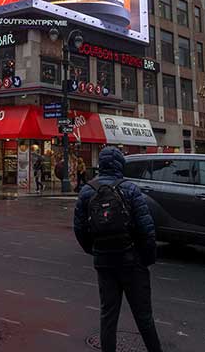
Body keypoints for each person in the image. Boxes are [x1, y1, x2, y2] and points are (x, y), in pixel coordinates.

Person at [73, 146, 163, 352]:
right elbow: (146, 229)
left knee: (108, 316)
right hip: (132, 260)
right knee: (144, 316)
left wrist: (95, 250)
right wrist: (147, 258)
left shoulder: (87, 191)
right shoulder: (130, 189)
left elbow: (79, 229)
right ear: (120, 165)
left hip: (104, 262)